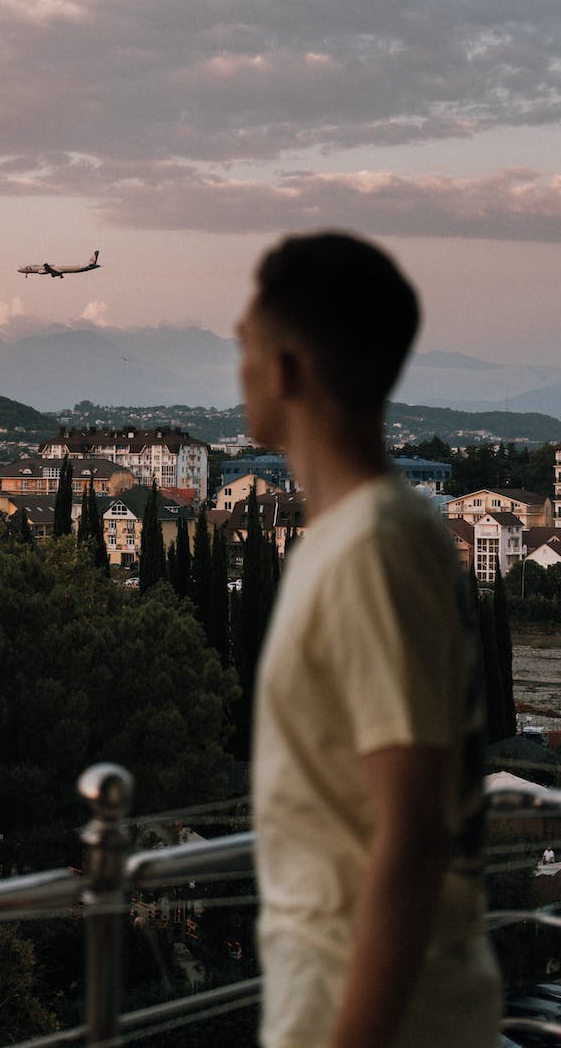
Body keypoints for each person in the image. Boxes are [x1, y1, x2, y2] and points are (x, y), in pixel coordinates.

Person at [239, 231, 500, 1048]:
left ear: (286, 369)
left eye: (244, 346)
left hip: (368, 1008)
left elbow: (413, 827)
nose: (238, 370)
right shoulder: (365, 533)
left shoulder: (370, 548)